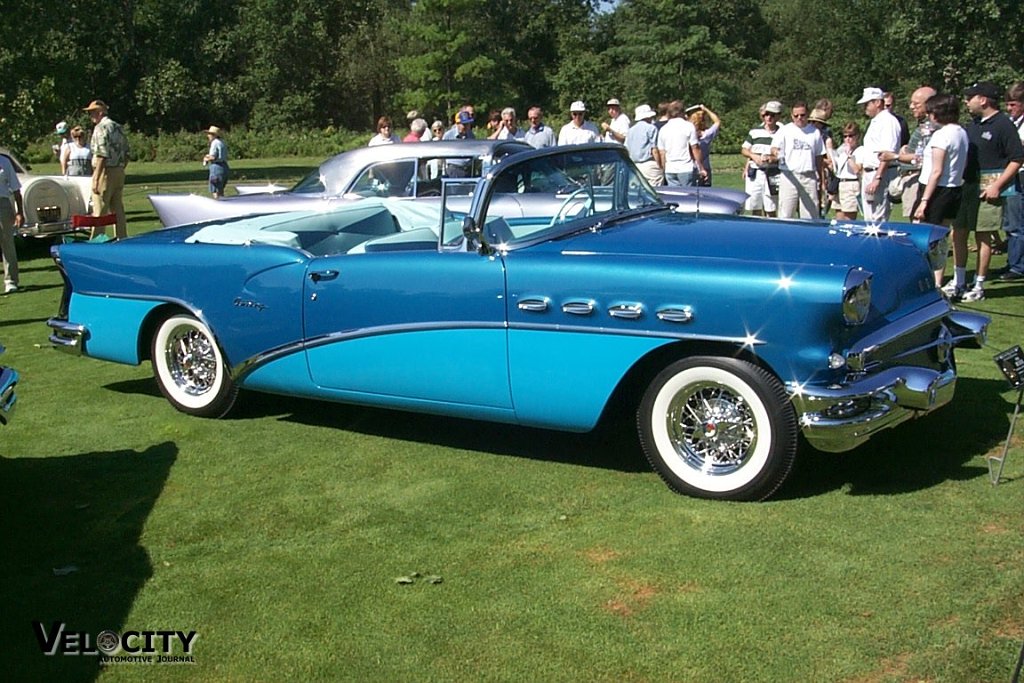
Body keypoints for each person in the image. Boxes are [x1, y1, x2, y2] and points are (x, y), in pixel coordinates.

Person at [945, 81, 1024, 302]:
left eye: (970, 97)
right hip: (966, 188)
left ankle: (979, 285)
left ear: (983, 99)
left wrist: (997, 186)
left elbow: (1017, 158)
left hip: (988, 189)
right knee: (957, 232)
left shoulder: (1003, 125)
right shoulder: (972, 125)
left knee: (983, 236)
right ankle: (959, 281)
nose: (966, 102)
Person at [908, 94, 966, 288]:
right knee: (940, 237)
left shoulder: (941, 135)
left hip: (937, 190)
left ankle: (928, 281)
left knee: (925, 237)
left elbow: (936, 170)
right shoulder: (961, 132)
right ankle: (937, 282)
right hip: (954, 188)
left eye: (931, 112)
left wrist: (924, 201)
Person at [878, 86, 938, 217]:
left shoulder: (930, 126)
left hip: (918, 178)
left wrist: (895, 156)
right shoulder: (922, 124)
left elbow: (923, 158)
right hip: (912, 178)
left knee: (918, 223)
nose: (911, 106)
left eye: (916, 104)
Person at [769, 101, 826, 218]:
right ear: (792, 116)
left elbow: (819, 157)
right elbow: (774, 147)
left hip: (809, 176)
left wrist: (821, 179)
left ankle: (809, 235)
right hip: (789, 175)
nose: (799, 118)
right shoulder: (785, 130)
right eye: (796, 115)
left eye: (802, 115)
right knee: (786, 213)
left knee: (811, 214)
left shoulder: (815, 132)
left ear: (807, 114)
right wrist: (776, 152)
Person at [85, 99, 130, 240]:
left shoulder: (101, 128)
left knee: (100, 209)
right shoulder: (117, 127)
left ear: (100, 113)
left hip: (105, 171)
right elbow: (127, 152)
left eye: (92, 112)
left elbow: (101, 155)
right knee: (118, 209)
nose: (90, 116)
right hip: (119, 170)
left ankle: (97, 241)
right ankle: (122, 238)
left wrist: (96, 178)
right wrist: (121, 167)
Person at [857, 86, 902, 222]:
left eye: (867, 104)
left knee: (878, 218)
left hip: (880, 173)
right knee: (869, 217)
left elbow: (887, 153)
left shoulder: (888, 121)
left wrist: (878, 178)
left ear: (877, 102)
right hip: (869, 172)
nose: (865, 107)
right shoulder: (875, 121)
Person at [999, 81, 1024, 281]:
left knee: (1017, 222)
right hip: (1011, 174)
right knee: (1009, 220)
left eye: (1013, 104)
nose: (1009, 109)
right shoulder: (1011, 122)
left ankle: (1018, 266)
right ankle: (1013, 260)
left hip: (1021, 173)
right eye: (1007, 104)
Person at [740, 100, 783, 216]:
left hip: (773, 173)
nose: (769, 117)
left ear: (778, 116)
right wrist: (753, 156)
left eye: (772, 115)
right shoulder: (755, 132)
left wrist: (773, 158)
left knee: (771, 207)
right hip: (755, 173)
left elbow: (785, 154)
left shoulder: (783, 133)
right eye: (766, 114)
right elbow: (744, 149)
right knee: (755, 206)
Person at [657, 100, 705, 187]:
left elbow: (662, 153)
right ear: (682, 112)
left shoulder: (663, 129)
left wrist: (664, 169)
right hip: (685, 167)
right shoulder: (688, 126)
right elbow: (695, 148)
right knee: (689, 197)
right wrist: (701, 167)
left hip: (670, 168)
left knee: (675, 197)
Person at [0, 152, 23, 293]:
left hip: (2, 203)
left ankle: (11, 280)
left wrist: (20, 212)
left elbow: (16, 188)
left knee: (7, 242)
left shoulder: (4, 161)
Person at [831, 122, 863, 220]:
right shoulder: (842, 150)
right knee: (839, 217)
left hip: (851, 184)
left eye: (850, 136)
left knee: (849, 218)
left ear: (857, 136)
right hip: (841, 183)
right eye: (845, 136)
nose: (847, 139)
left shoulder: (861, 150)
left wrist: (850, 157)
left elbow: (857, 170)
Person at [626, 104, 663, 186]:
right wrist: (660, 166)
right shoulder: (651, 128)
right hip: (649, 164)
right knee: (656, 192)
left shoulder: (630, 131)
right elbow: (654, 150)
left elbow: (627, 149)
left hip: (635, 165)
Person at [687, 104, 721, 186]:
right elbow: (717, 121)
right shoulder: (706, 135)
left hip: (690, 167)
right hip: (705, 167)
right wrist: (706, 109)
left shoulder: (686, 134)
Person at [202, 126, 229, 199]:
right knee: (221, 191)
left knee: (215, 191)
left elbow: (213, 157)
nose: (208, 136)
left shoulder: (214, 143)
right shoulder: (222, 142)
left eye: (210, 134)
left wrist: (206, 158)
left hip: (216, 168)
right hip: (224, 167)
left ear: (214, 135)